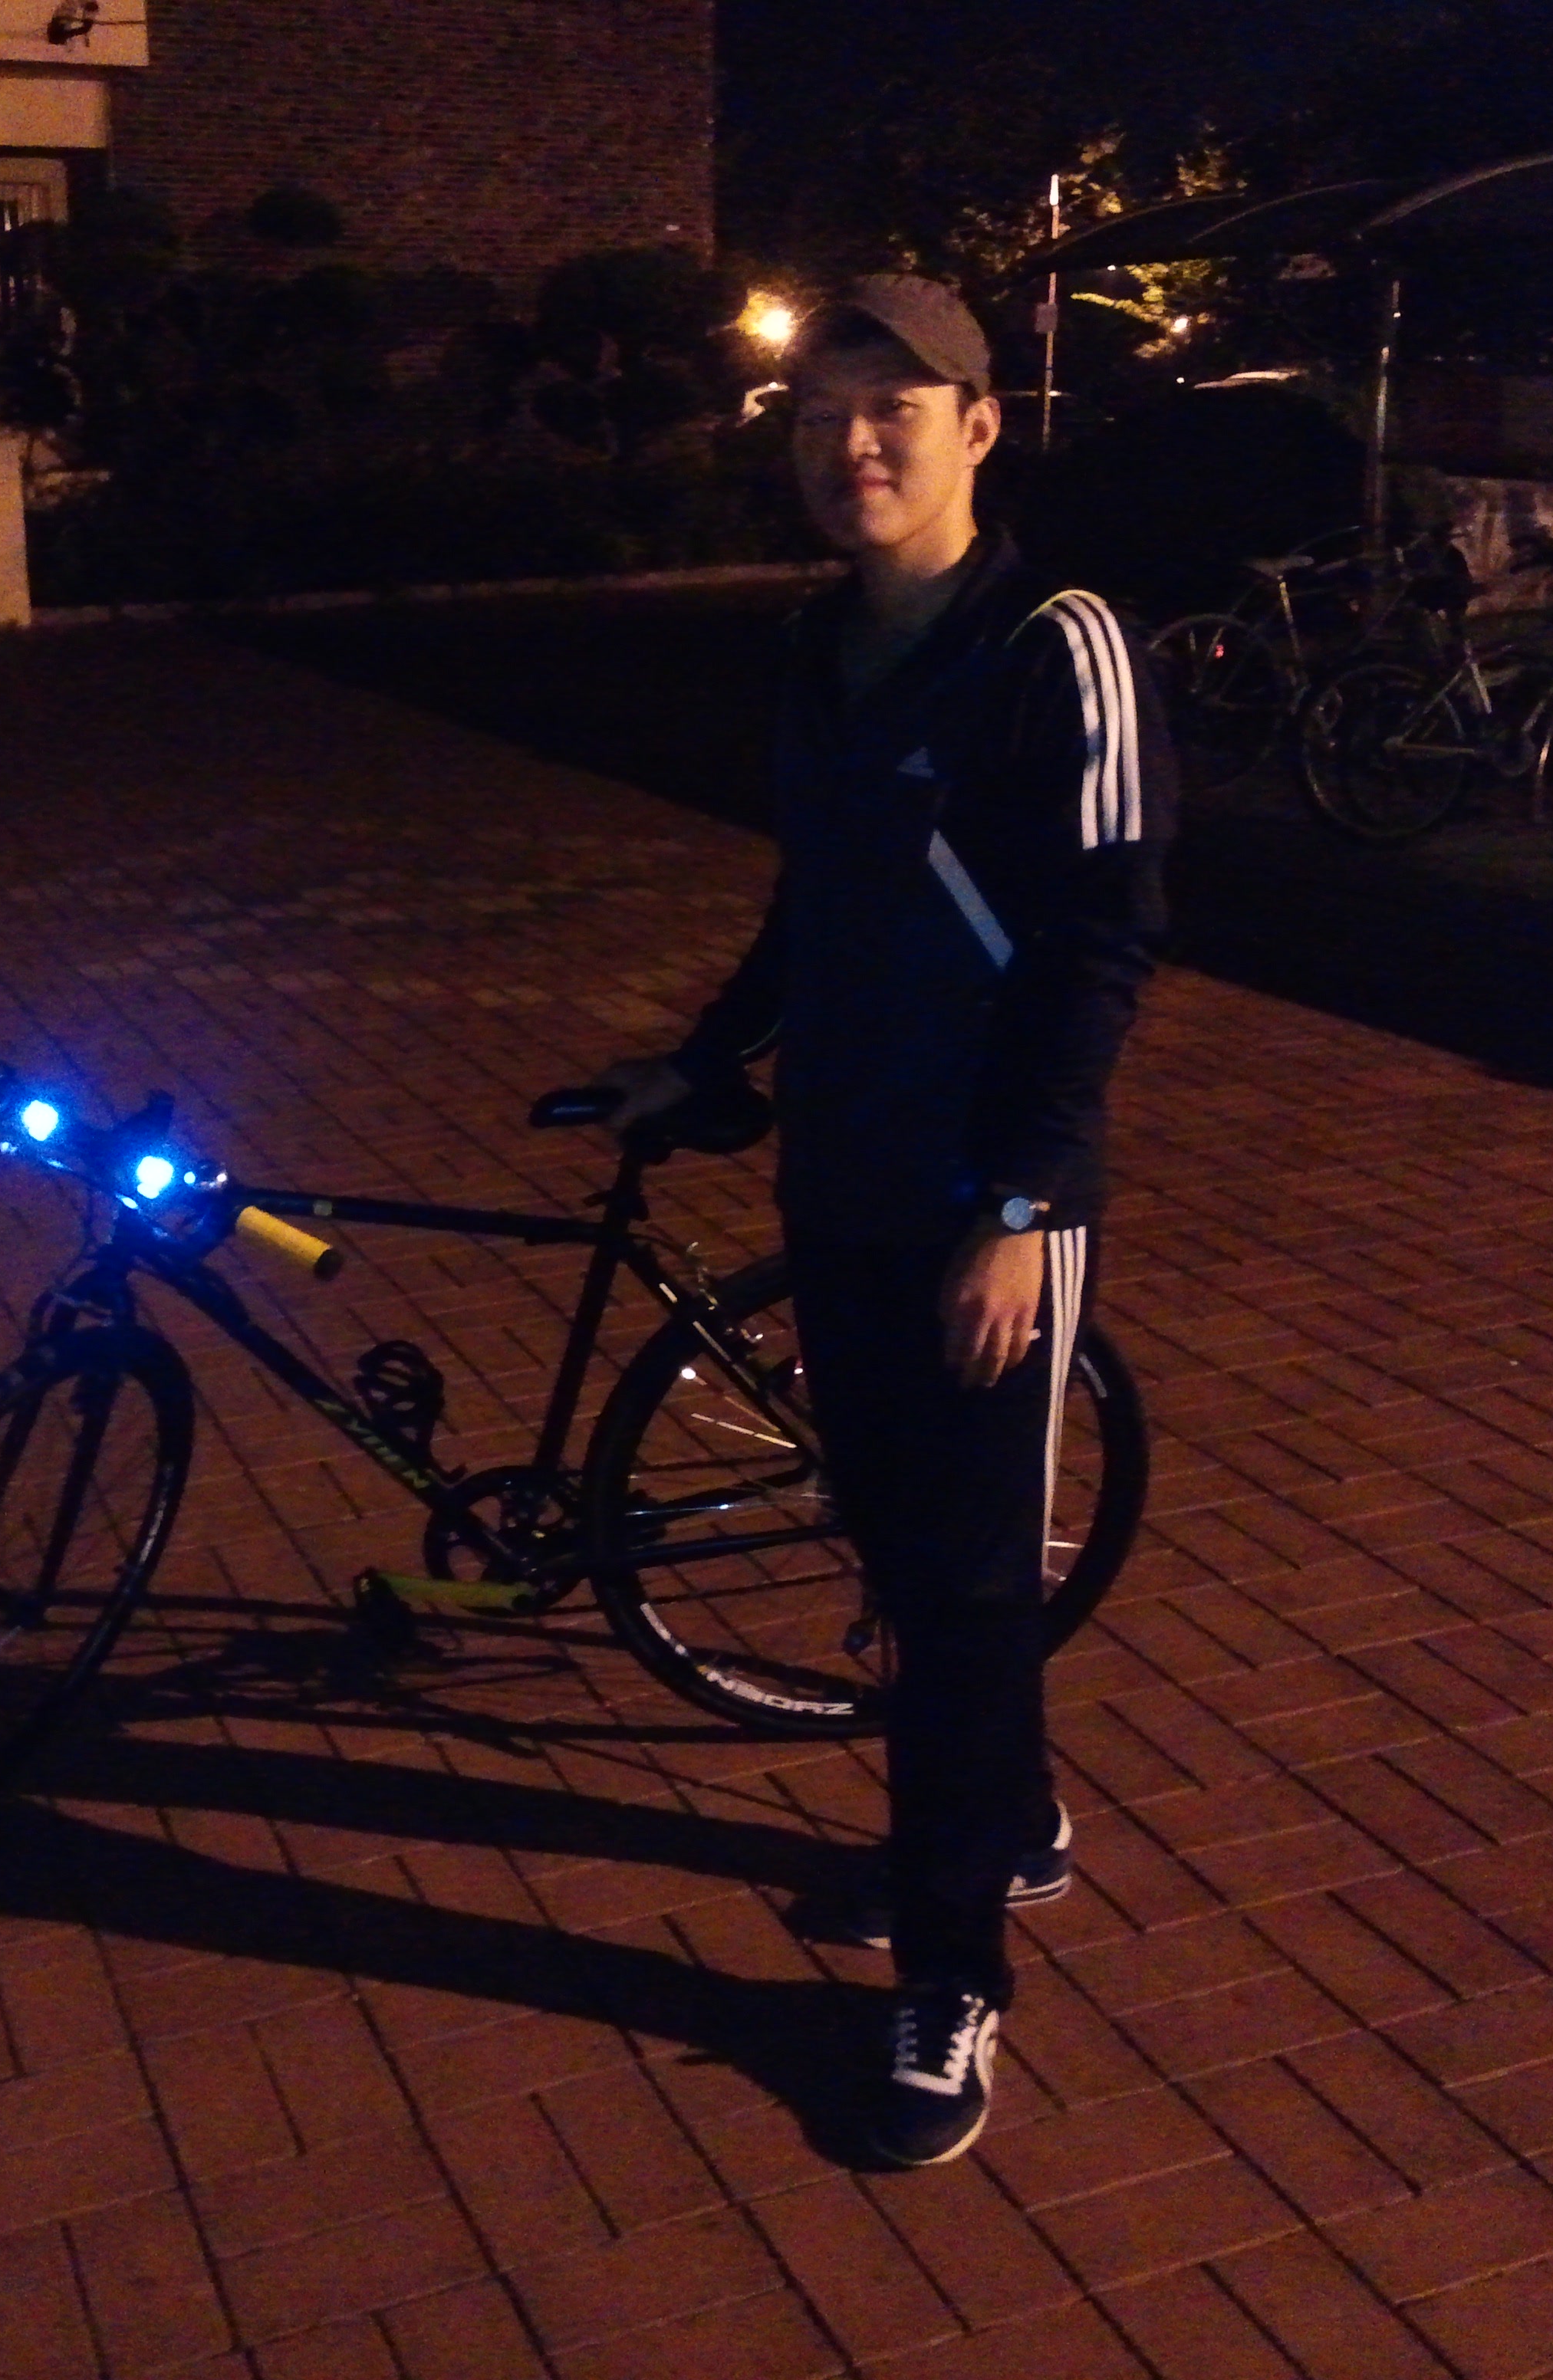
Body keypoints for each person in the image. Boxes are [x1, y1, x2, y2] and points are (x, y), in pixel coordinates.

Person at [599, 274, 1169, 2167]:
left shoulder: (1054, 645)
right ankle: (1006, 1820)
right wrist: (702, 1060)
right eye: (820, 412)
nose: (851, 445)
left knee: (958, 1593)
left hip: (980, 1204)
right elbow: (818, 900)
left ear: (977, 429)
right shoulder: (815, 645)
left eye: (894, 411)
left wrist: (1021, 1202)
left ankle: (950, 1978)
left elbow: (1099, 948)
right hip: (834, 1175)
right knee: (900, 1547)